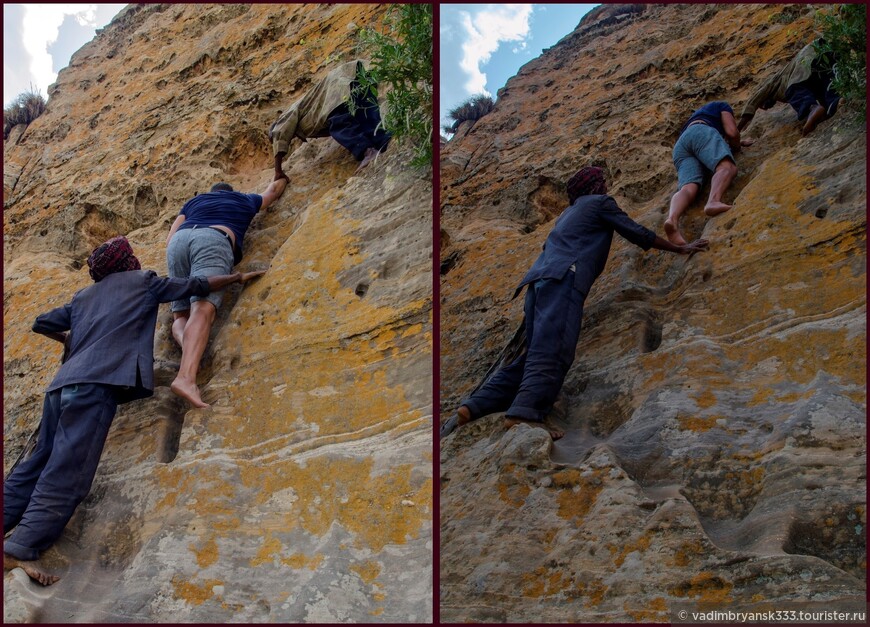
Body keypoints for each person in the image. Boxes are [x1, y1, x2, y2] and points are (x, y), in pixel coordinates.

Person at [3, 236, 264, 586]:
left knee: (37, 460)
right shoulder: (143, 282)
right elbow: (196, 284)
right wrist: (234, 278)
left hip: (60, 387)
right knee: (69, 469)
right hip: (95, 385)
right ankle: (19, 547)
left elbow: (41, 322)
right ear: (128, 262)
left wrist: (71, 343)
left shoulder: (83, 297)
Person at [440, 167, 709, 441]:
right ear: (593, 186)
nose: (606, 185)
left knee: (532, 353)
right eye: (602, 181)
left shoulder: (567, 214)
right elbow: (635, 231)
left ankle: (473, 406)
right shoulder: (600, 203)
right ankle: (524, 414)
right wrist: (678, 248)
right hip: (563, 279)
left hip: (538, 283)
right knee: (554, 349)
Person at [166, 177, 287, 408]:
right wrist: (281, 177)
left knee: (180, 316)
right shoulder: (243, 199)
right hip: (212, 239)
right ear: (230, 191)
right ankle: (185, 378)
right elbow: (272, 191)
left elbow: (170, 236)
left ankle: (188, 344)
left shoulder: (194, 201)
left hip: (178, 243)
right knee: (202, 308)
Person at [270, 59, 392, 178]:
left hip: (338, 84)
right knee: (364, 112)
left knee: (338, 124)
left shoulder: (286, 115)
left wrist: (278, 171)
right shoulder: (302, 114)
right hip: (356, 73)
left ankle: (368, 152)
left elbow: (279, 132)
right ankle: (383, 142)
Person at [664, 101, 753, 246]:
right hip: (701, 131)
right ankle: (713, 201)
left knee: (688, 187)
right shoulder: (722, 106)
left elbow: (710, 144)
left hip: (681, 145)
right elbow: (732, 132)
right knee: (727, 167)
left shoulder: (697, 117)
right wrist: (737, 147)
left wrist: (737, 142)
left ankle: (672, 220)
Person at [737, 40, 841, 137]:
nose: (765, 108)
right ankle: (836, 101)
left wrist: (737, 130)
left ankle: (812, 108)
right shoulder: (798, 73)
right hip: (824, 49)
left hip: (807, 57)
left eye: (763, 106)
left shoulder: (776, 80)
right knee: (828, 86)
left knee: (792, 90)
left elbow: (753, 101)